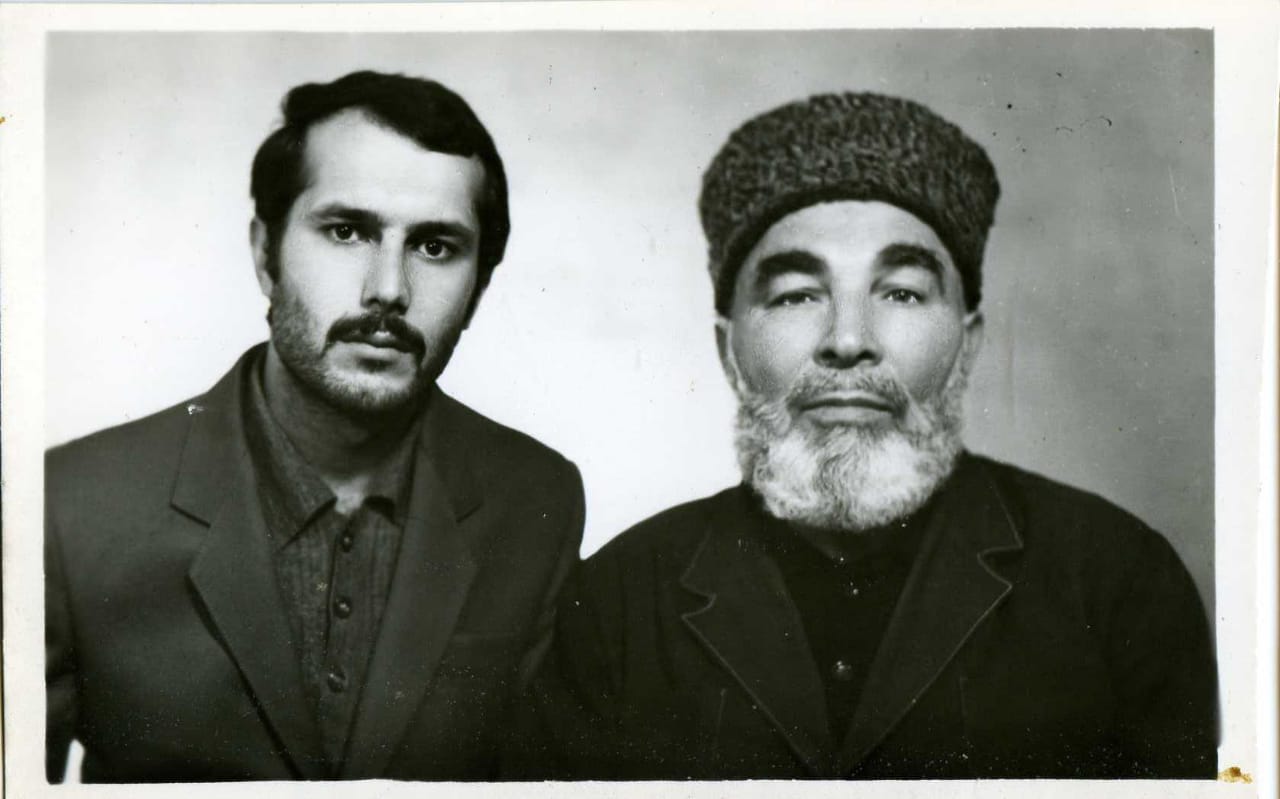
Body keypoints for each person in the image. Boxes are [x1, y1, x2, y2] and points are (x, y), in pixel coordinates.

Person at [509, 92, 1217, 780]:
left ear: (967, 344)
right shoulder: (618, 601)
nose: (848, 340)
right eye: (796, 295)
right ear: (729, 351)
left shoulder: (1116, 582)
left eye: (901, 292)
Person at [45, 71, 585, 782]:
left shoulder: (535, 499)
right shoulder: (70, 505)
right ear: (265, 255)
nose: (388, 289)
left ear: (479, 285)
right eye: (346, 231)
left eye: (435, 247)